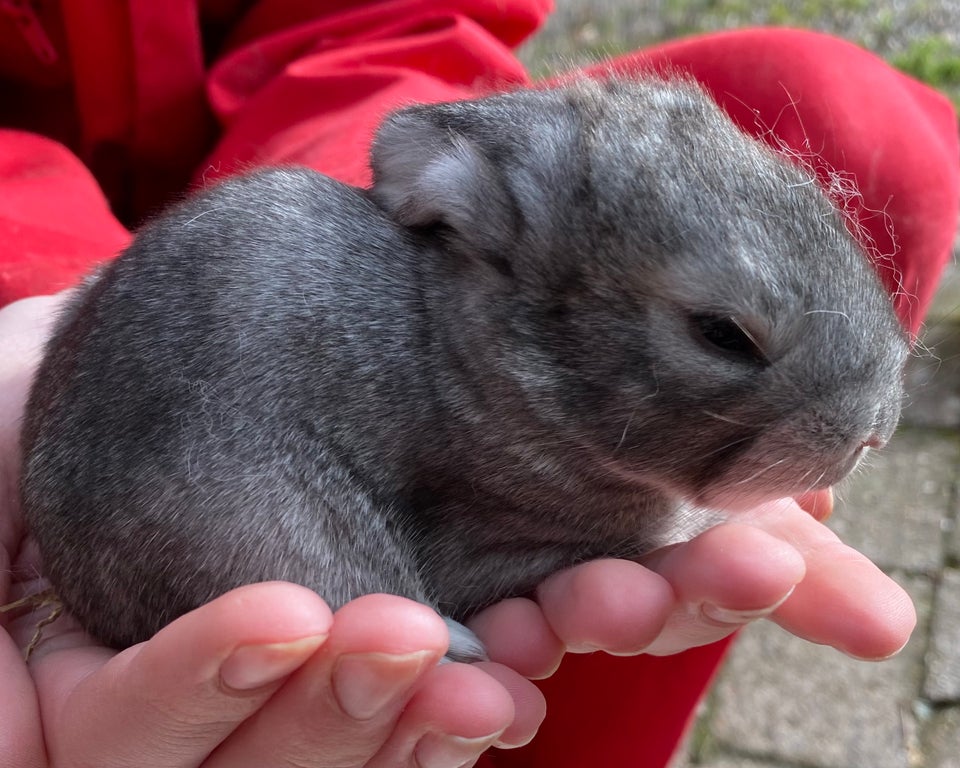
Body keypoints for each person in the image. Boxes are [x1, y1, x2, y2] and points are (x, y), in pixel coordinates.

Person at [0, 2, 956, 766]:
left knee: (858, 115)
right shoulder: (491, 407)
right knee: (415, 648)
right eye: (720, 336)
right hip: (180, 477)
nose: (870, 433)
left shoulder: (494, 360)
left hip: (209, 225)